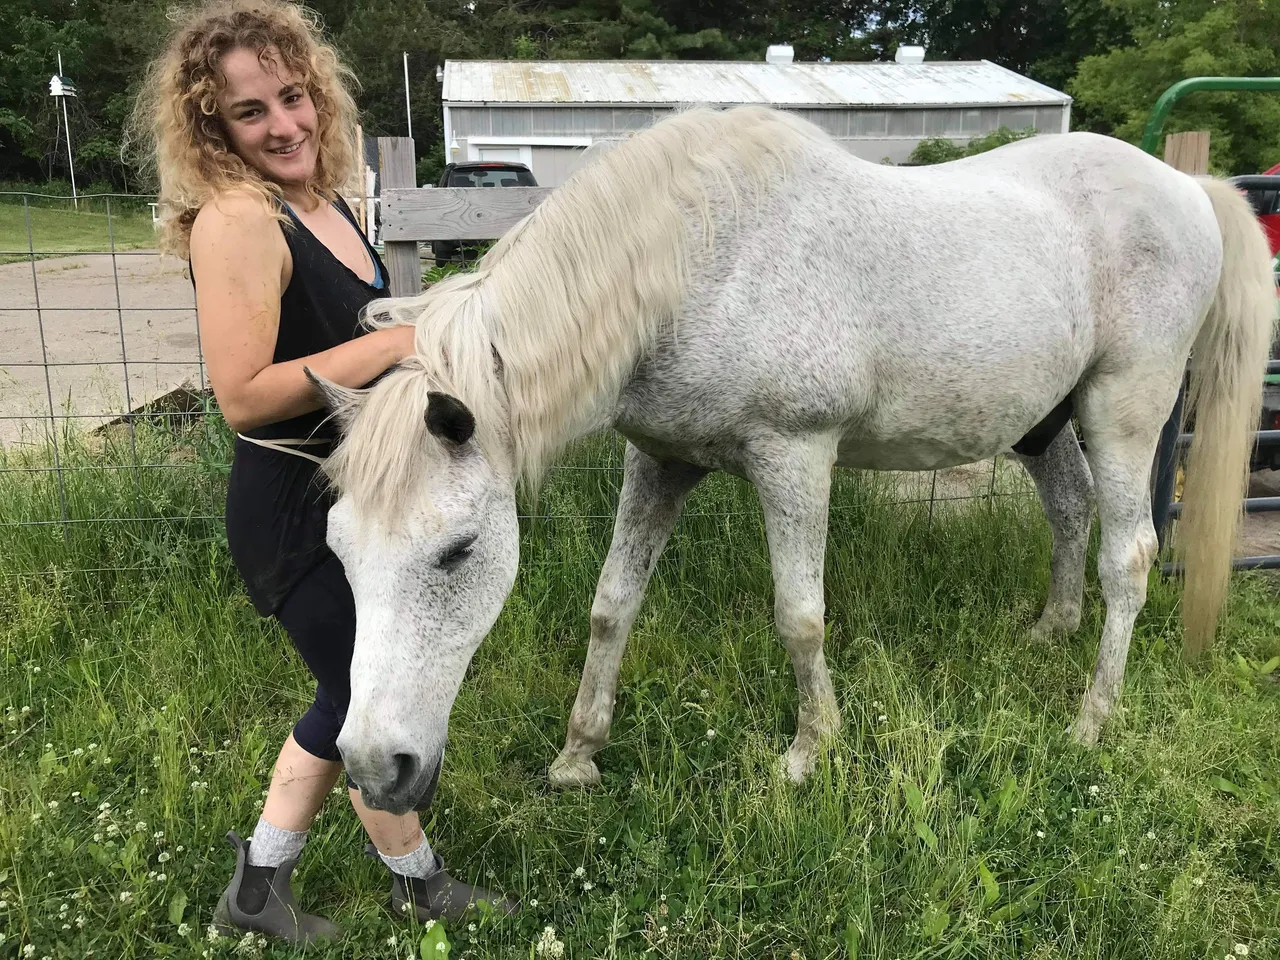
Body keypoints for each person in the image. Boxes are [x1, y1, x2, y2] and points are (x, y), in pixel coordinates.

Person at [131, 0, 513, 943]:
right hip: (290, 507)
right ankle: (414, 884)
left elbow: (352, 334)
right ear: (211, 128)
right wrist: (395, 345)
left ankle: (259, 888)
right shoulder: (238, 219)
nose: (284, 124)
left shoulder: (326, 203)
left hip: (355, 501)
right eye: (249, 111)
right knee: (356, 699)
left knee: (342, 697)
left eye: (293, 97)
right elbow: (243, 396)